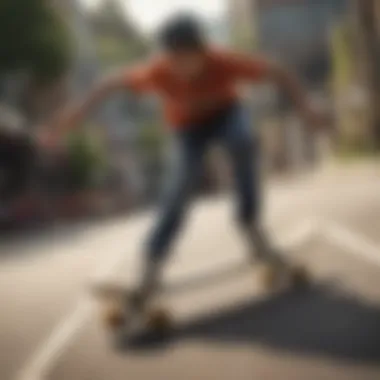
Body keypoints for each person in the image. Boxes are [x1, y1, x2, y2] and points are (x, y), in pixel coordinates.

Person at [40, 14, 324, 309]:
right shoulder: (158, 72)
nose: (183, 68)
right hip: (187, 131)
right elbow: (110, 83)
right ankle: (151, 267)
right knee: (178, 187)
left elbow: (279, 72)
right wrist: (77, 112)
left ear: (203, 51)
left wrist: (306, 107)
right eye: (175, 60)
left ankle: (250, 226)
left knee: (242, 140)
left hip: (226, 114)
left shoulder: (223, 62)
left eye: (190, 59)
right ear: (167, 56)